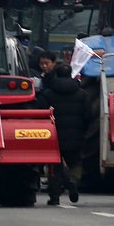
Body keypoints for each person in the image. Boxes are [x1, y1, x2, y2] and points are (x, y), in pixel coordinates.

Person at [38, 62, 86, 205]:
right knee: (75, 162)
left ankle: (55, 196)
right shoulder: (82, 94)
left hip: (53, 134)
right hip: (76, 134)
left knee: (54, 165)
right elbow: (88, 114)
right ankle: (73, 181)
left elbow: (41, 112)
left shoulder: (48, 93)